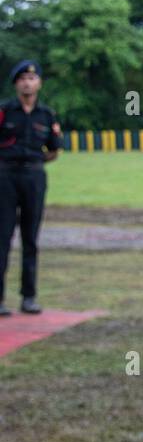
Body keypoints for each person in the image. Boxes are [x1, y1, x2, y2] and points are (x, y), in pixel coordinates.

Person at [0, 61, 62, 316]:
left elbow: (55, 149)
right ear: (16, 84)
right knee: (2, 238)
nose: (28, 82)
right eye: (23, 78)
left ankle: (29, 297)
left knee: (31, 239)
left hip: (34, 176)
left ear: (39, 83)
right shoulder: (4, 111)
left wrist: (33, 162)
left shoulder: (46, 115)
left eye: (32, 78)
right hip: (5, 176)